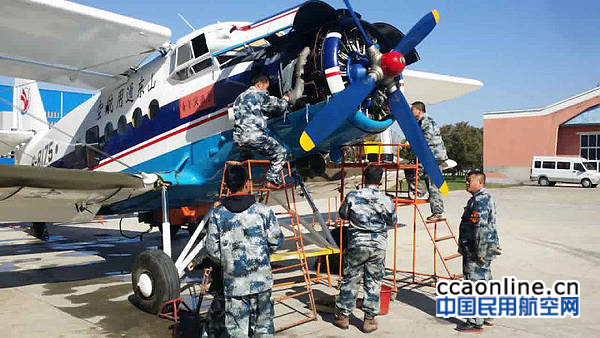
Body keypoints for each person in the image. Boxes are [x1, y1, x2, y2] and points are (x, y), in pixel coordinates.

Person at [205, 164, 284, 337]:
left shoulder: (217, 215)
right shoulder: (264, 211)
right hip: (262, 282)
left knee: (237, 332)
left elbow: (212, 250)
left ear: (227, 186)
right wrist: (260, 256)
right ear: (247, 184)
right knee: (263, 331)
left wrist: (229, 260)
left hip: (234, 285)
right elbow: (276, 240)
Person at [334, 165, 397, 333]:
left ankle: (343, 316)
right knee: (374, 281)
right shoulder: (386, 200)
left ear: (364, 178)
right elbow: (393, 221)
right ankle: (369, 320)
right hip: (378, 246)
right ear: (380, 180)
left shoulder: (353, 196)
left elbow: (343, 214)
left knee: (351, 278)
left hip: (357, 244)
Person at [456, 170, 500, 333]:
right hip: (483, 247)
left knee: (474, 283)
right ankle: (487, 314)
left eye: (470, 180)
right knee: (485, 280)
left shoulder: (480, 200)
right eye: (467, 180)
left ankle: (475, 321)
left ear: (480, 183)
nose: (467, 183)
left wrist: (479, 252)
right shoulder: (483, 198)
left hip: (476, 250)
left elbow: (480, 228)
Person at [233, 74, 293, 189]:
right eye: (266, 88)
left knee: (247, 158)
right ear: (259, 85)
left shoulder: (239, 98)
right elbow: (278, 107)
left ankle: (241, 180)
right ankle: (271, 178)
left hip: (239, 139)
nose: (266, 91)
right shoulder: (258, 94)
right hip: (254, 136)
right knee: (281, 152)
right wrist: (286, 99)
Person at [404, 101, 455, 221]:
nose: (411, 112)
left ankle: (419, 193)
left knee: (412, 171)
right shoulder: (421, 121)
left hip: (432, 155)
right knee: (432, 182)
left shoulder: (426, 121)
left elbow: (426, 138)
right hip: (430, 154)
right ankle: (437, 211)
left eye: (412, 110)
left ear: (418, 110)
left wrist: (411, 143)